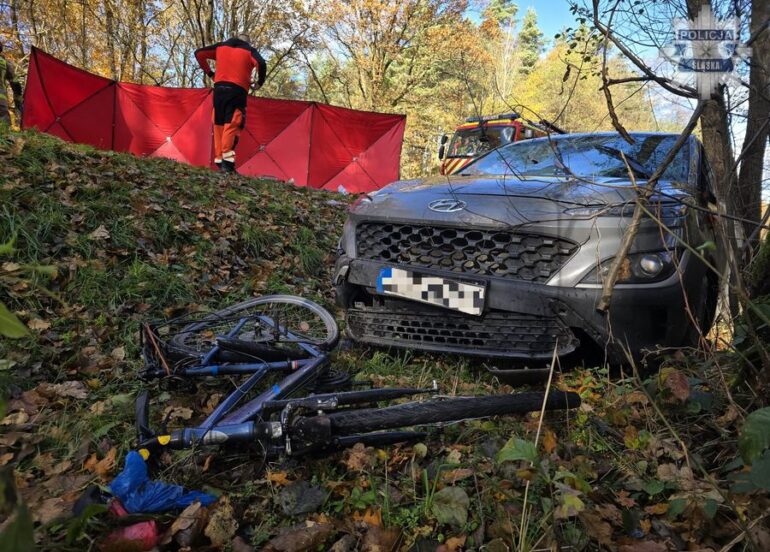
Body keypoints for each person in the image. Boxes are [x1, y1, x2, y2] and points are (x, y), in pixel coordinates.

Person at [194, 33, 266, 174]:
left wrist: (210, 74)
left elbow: (199, 54)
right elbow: (261, 63)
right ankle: (227, 164)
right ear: (248, 42)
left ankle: (221, 161)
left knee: (219, 124)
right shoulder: (249, 51)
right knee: (232, 124)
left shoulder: (221, 47)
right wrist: (259, 83)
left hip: (219, 89)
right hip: (237, 91)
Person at [0, 43, 23, 127]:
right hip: (1, 103)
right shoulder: (5, 63)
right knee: (4, 132)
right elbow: (16, 84)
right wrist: (19, 104)